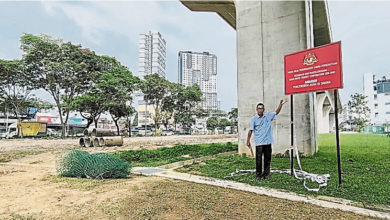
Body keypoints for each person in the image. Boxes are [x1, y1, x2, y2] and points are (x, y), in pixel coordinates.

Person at [246, 97, 288, 180]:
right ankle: (258, 175)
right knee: (258, 160)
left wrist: (280, 104)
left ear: (263, 109)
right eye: (259, 109)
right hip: (259, 143)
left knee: (267, 159)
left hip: (268, 142)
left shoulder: (268, 116)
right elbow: (250, 130)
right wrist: (248, 141)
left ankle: (266, 174)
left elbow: (276, 112)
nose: (260, 110)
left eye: (262, 108)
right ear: (256, 110)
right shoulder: (253, 119)